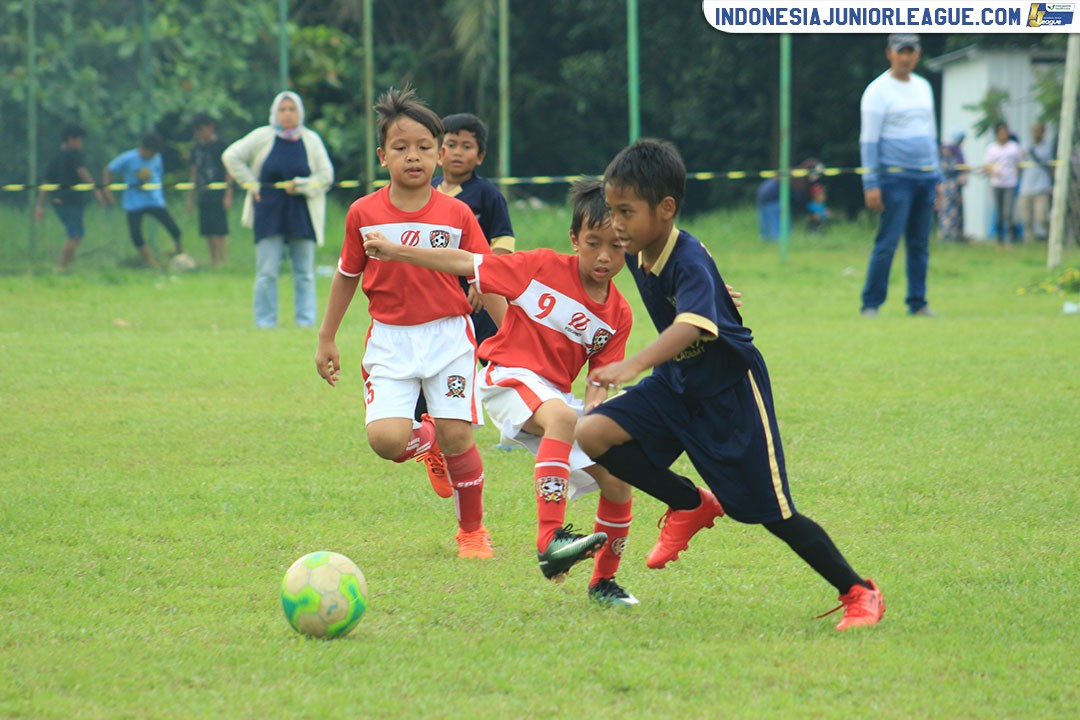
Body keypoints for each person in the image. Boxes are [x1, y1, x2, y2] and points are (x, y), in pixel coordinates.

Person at [575, 138, 885, 632]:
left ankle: (859, 591)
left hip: (728, 394)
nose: (615, 224)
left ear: (666, 208)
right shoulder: (638, 250)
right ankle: (689, 502)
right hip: (677, 385)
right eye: (612, 211)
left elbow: (690, 326)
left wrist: (632, 364)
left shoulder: (688, 254)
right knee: (593, 434)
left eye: (625, 212)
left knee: (772, 513)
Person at [364, 180, 640, 606]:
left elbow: (598, 385)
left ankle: (603, 583)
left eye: (617, 247)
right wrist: (396, 250)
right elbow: (465, 261)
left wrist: (602, 423)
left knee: (619, 481)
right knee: (563, 417)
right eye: (592, 243)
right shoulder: (542, 267)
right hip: (507, 377)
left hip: (553, 402)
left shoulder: (619, 314)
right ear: (574, 239)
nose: (604, 256)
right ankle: (550, 539)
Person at [315, 86, 508, 559]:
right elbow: (346, 275)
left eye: (424, 147)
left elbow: (490, 274)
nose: (413, 157)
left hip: (449, 337)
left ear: (439, 155)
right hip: (390, 341)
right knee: (385, 440)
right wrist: (326, 338)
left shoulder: (458, 213)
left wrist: (512, 338)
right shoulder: (363, 213)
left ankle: (472, 532)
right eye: (401, 148)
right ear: (383, 156)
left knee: (459, 433)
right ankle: (428, 443)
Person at [414, 112, 517, 424]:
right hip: (432, 298)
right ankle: (421, 425)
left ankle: (519, 418)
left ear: (481, 156)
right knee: (425, 360)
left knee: (497, 358)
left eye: (467, 146)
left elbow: (503, 243)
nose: (458, 152)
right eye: (451, 144)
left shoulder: (487, 195)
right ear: (439, 151)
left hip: (476, 298)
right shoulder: (424, 191)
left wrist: (481, 281)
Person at [223, 91, 334, 328]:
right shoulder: (263, 136)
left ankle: (305, 322)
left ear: (299, 113)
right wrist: (251, 184)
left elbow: (326, 176)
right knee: (267, 272)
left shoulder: (311, 140)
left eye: (291, 109)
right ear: (275, 113)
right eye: (282, 110)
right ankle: (265, 323)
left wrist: (302, 186)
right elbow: (231, 156)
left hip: (301, 213)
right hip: (268, 211)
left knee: (304, 273)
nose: (287, 115)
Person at [858, 34, 941, 317]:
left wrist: (937, 175)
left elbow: (932, 134)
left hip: (926, 177)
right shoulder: (877, 90)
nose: (906, 57)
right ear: (889, 54)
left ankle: (917, 302)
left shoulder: (923, 87)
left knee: (920, 244)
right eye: (900, 51)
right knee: (887, 243)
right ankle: (871, 303)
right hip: (894, 179)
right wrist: (871, 182)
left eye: (911, 51)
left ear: (918, 54)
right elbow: (868, 140)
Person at [103, 132, 184, 270]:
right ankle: (153, 264)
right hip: (134, 203)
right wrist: (107, 190)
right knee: (136, 235)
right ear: (145, 149)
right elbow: (108, 169)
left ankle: (180, 255)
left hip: (154, 201)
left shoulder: (157, 158)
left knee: (174, 229)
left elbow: (158, 174)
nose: (152, 156)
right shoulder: (128, 158)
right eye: (151, 153)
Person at [34, 122, 107, 271]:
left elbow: (46, 182)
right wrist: (97, 191)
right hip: (71, 201)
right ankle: (62, 267)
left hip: (58, 201)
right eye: (80, 140)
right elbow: (82, 172)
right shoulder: (74, 155)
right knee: (76, 235)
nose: (81, 143)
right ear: (71, 139)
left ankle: (67, 265)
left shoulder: (55, 157)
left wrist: (40, 205)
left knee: (75, 234)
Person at [187, 112, 233, 266]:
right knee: (208, 230)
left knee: (220, 229)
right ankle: (214, 261)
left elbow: (228, 170)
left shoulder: (221, 146)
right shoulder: (196, 149)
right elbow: (193, 171)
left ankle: (224, 260)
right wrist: (190, 198)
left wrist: (228, 193)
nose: (198, 133)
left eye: (201, 129)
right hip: (203, 193)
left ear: (210, 127)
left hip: (219, 192)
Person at [754, 158, 819, 242]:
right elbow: (798, 195)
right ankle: (777, 242)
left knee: (767, 225)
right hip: (773, 197)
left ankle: (768, 242)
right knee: (778, 224)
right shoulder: (799, 176)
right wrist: (808, 211)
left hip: (763, 193)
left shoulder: (795, 172)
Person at [983, 122, 1023, 246]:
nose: (1003, 135)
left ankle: (1009, 240)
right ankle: (999, 240)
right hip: (996, 183)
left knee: (1008, 213)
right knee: (999, 213)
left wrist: (1016, 175)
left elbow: (1019, 164)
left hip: (1010, 184)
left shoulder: (1013, 147)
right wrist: (994, 171)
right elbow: (987, 166)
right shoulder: (991, 148)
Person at [1017, 121, 1055, 243]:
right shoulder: (1025, 146)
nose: (1036, 133)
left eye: (1039, 130)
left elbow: (1052, 166)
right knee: (1026, 219)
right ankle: (1029, 242)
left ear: (1043, 132)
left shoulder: (1048, 147)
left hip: (1042, 187)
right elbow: (1018, 166)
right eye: (1034, 131)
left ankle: (1052, 237)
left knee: (1041, 217)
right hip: (1026, 187)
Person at [938, 130, 968, 243]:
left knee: (947, 210)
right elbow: (959, 168)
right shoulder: (954, 150)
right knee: (951, 211)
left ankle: (948, 236)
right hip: (951, 185)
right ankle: (950, 236)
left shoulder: (943, 149)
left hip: (946, 185)